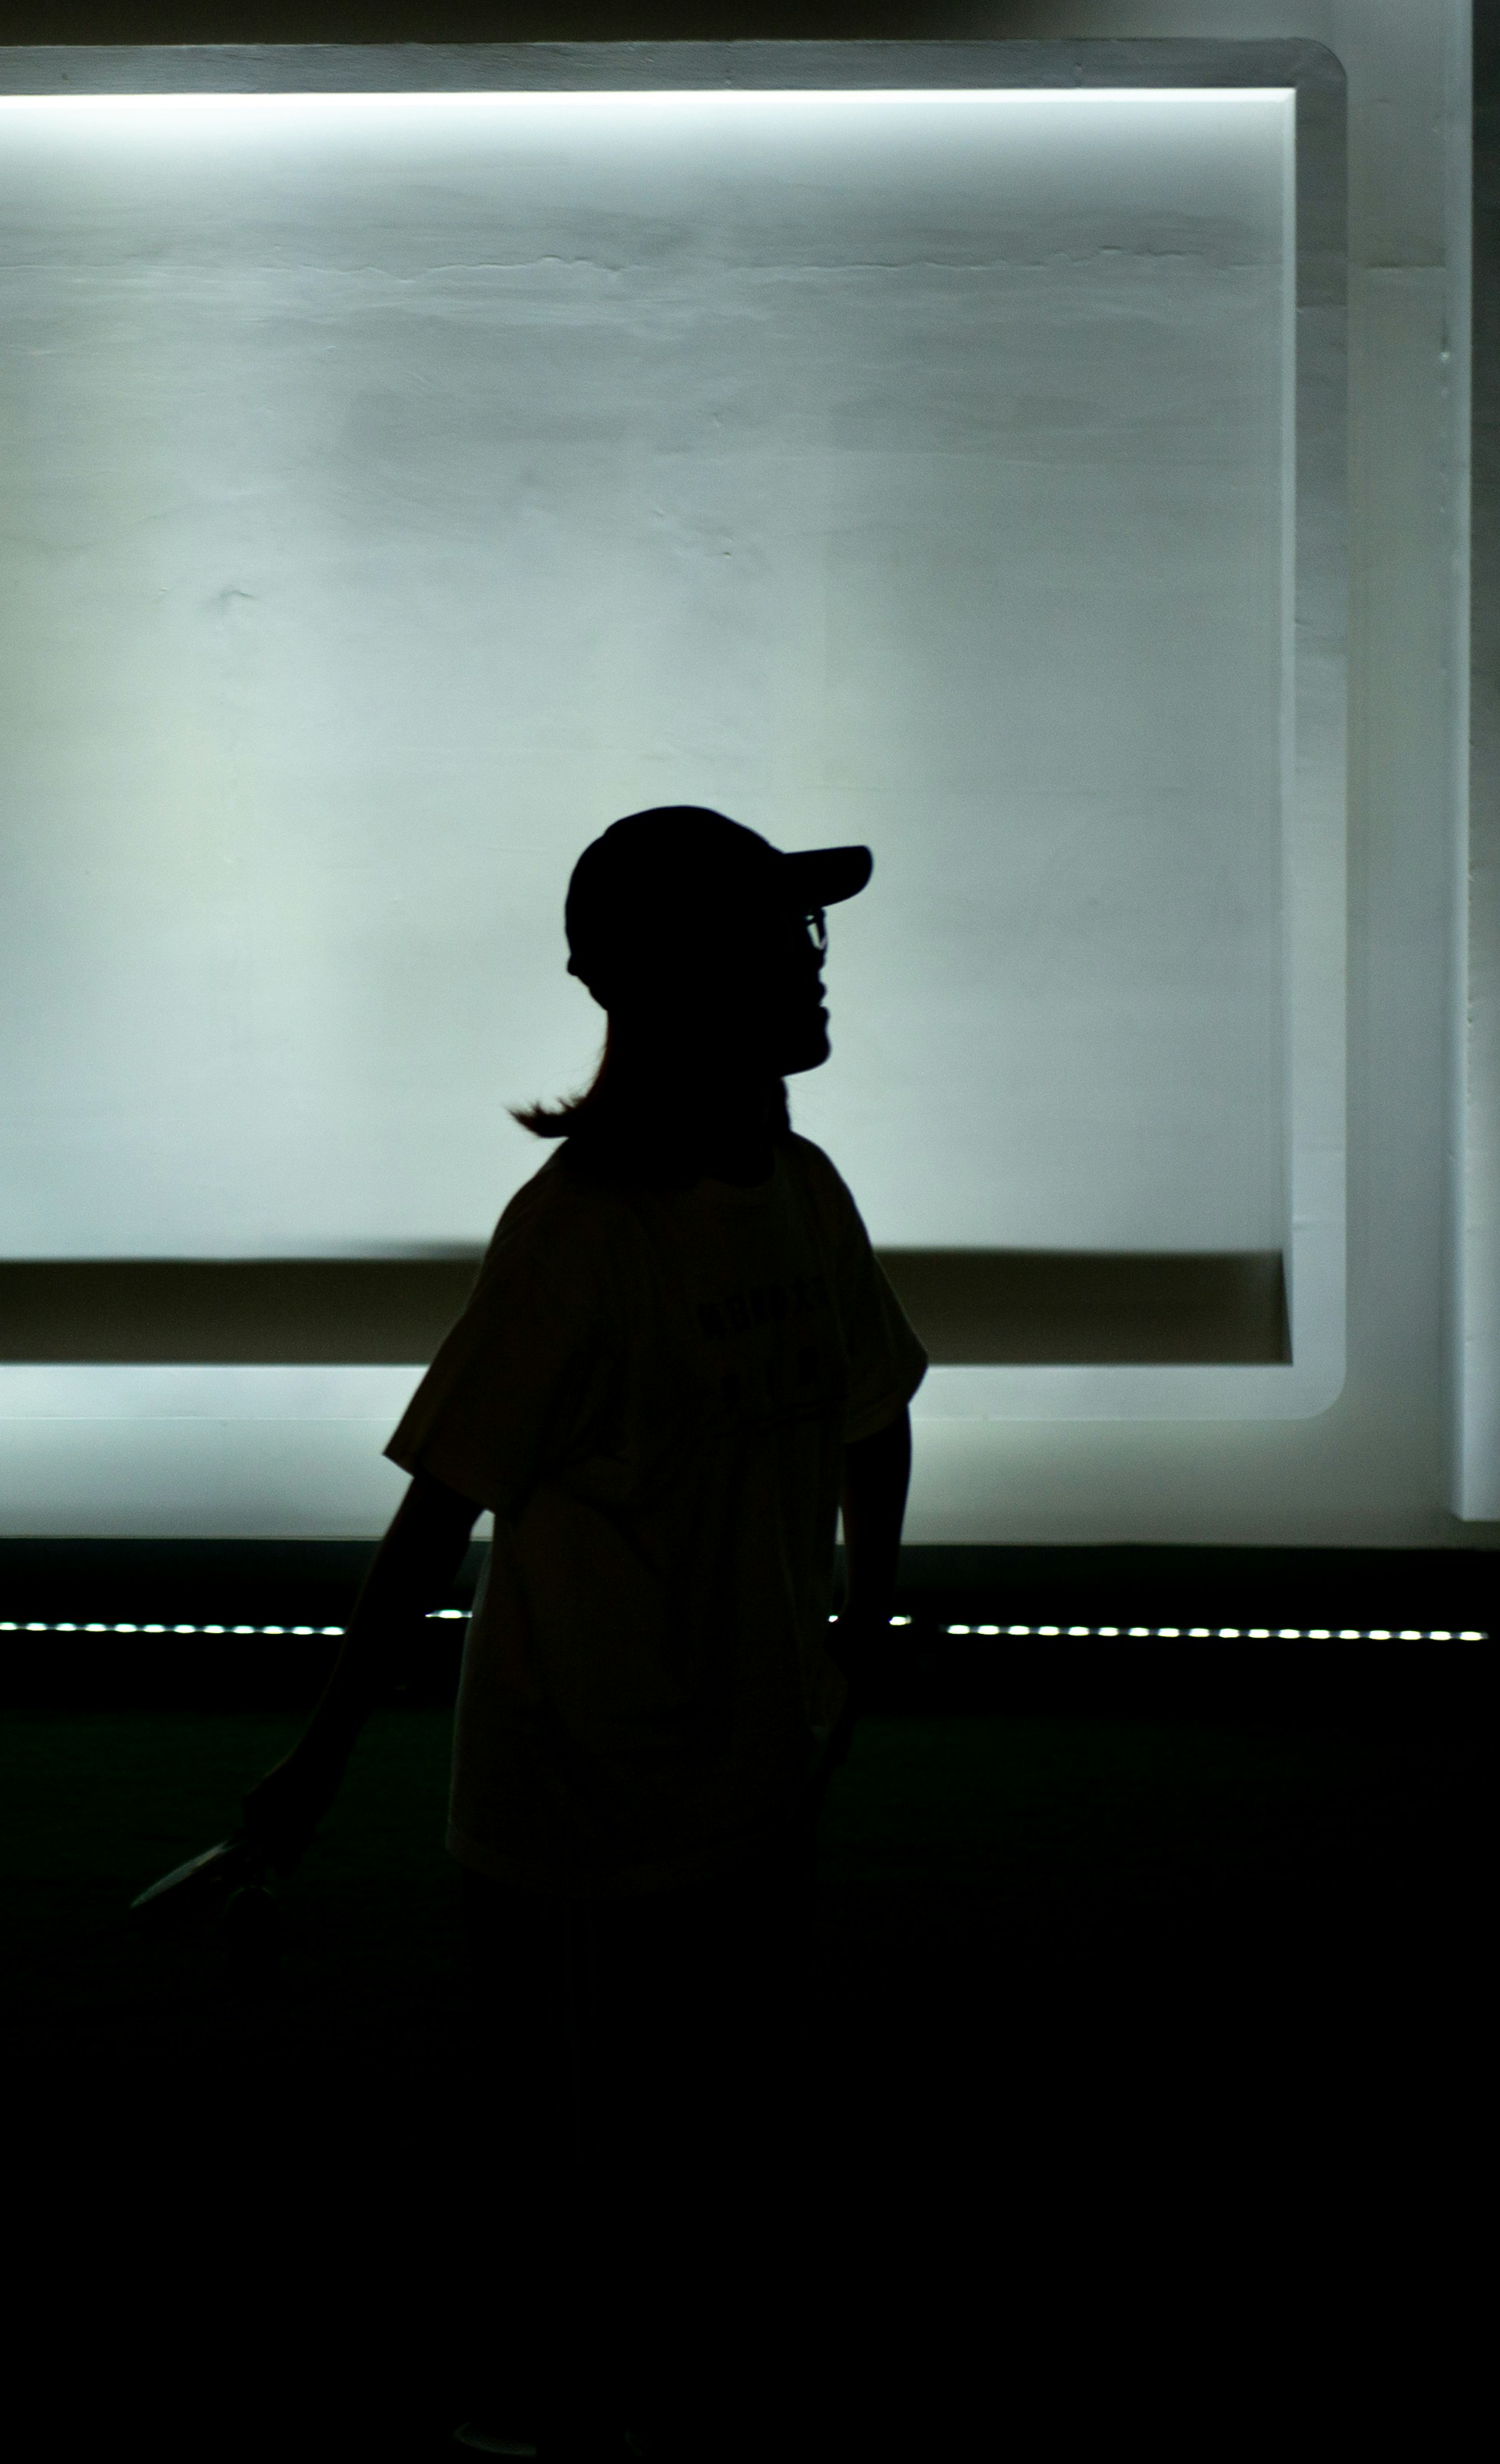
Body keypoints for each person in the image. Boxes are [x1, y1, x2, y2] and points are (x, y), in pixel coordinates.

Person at [234, 805, 923, 2456]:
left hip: (751, 1762)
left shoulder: (800, 1185)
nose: (813, 968)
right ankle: (563, 2401)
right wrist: (317, 1761)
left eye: (807, 934)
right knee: (586, 2149)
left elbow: (873, 1405)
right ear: (675, 982)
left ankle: (646, 2387)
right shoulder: (581, 1234)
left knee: (703, 2126)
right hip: (583, 1798)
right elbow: (439, 1513)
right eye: (776, 940)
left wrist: (856, 1628)